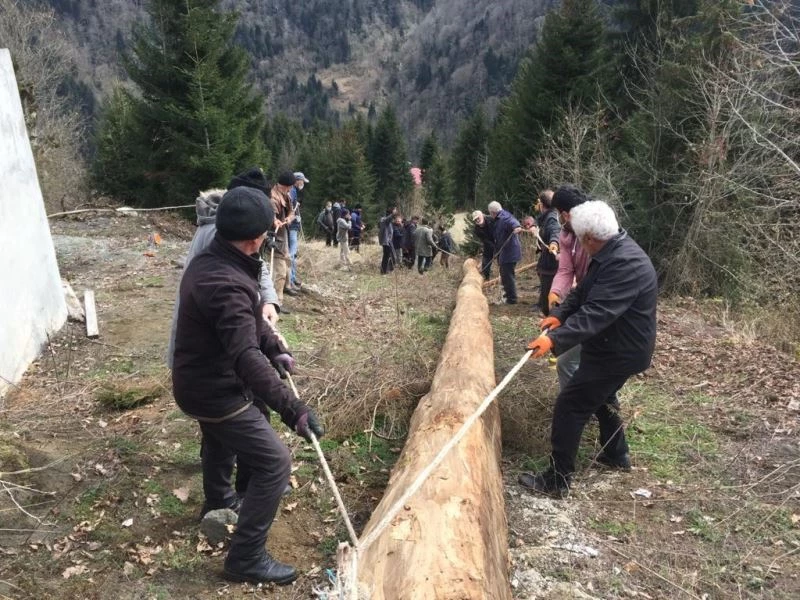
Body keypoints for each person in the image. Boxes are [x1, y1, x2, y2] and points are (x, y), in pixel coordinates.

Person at [172, 186, 324, 584]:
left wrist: (274, 345)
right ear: (256, 239)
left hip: (199, 382)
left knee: (222, 437)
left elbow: (249, 318)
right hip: (213, 389)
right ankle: (246, 557)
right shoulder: (224, 280)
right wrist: (294, 409)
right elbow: (244, 355)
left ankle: (220, 501)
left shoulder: (217, 261)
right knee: (274, 462)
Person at [519, 200, 657, 497]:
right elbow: (582, 292)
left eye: (581, 240)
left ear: (590, 239)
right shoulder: (611, 249)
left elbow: (596, 313)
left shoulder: (625, 264)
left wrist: (554, 340)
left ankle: (557, 480)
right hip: (613, 346)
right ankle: (616, 454)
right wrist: (559, 315)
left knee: (571, 405)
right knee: (603, 398)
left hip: (619, 351)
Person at [167, 168, 280, 370]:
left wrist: (269, 300)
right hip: (205, 359)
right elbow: (234, 298)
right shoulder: (220, 233)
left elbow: (255, 263)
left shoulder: (235, 229)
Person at [549, 185, 591, 390]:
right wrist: (556, 292)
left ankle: (572, 405)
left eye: (557, 213)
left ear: (564, 213)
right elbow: (566, 269)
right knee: (573, 360)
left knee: (568, 362)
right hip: (583, 298)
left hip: (599, 301)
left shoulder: (595, 231)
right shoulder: (566, 235)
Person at [268, 172, 296, 304]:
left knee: (286, 268)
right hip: (275, 240)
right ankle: (276, 302)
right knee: (280, 273)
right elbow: (270, 217)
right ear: (286, 186)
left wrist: (290, 217)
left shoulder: (286, 195)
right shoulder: (273, 198)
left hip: (283, 238)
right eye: (290, 187)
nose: (291, 189)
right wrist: (274, 221)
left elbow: (292, 211)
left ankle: (277, 299)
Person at [488, 201, 522, 304]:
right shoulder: (499, 218)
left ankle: (512, 299)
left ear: (492, 212)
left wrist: (517, 227)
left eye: (490, 213)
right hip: (505, 253)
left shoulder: (504, 217)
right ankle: (508, 296)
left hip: (510, 253)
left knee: (508, 276)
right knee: (505, 274)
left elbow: (513, 222)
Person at [534, 190, 561, 315]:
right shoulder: (545, 217)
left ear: (542, 204)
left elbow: (555, 231)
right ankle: (542, 305)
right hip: (545, 261)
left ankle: (549, 314)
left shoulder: (552, 219)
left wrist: (554, 243)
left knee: (548, 293)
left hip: (551, 265)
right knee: (544, 289)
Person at [287, 172, 309, 290]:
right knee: (292, 253)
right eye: (302, 181)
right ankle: (289, 281)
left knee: (294, 254)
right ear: (297, 180)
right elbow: (289, 207)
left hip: (294, 227)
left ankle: (293, 278)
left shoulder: (294, 191)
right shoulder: (292, 191)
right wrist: (294, 212)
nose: (303, 184)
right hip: (292, 227)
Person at [471, 211, 496, 280]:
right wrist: (494, 248)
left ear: (482, 215)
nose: (477, 220)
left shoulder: (491, 219)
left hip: (499, 240)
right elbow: (485, 240)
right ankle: (487, 278)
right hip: (488, 245)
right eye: (475, 219)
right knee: (485, 264)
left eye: (478, 218)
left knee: (503, 262)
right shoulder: (477, 229)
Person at [378, 206, 398, 274]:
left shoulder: (386, 221)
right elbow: (389, 218)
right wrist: (393, 213)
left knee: (388, 256)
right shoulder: (384, 220)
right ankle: (385, 271)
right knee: (389, 256)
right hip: (386, 241)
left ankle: (385, 270)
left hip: (388, 241)